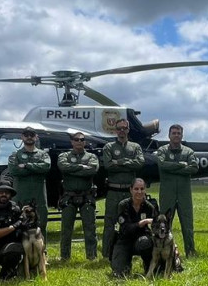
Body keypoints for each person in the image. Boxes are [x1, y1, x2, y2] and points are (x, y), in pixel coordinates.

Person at [101, 118, 144, 258]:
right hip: (113, 191)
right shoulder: (109, 147)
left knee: (132, 222)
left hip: (129, 192)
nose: (121, 131)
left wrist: (119, 162)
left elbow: (139, 163)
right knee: (109, 223)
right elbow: (108, 165)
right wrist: (128, 163)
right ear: (115, 130)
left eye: (124, 128)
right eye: (119, 128)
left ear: (128, 130)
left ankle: (133, 251)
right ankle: (106, 253)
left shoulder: (135, 147)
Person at [156, 124, 199, 257]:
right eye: (173, 133)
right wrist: (180, 165)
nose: (176, 135)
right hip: (167, 193)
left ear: (182, 135)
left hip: (184, 194)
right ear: (169, 135)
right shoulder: (162, 150)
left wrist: (172, 168)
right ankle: (163, 250)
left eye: (178, 133)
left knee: (187, 223)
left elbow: (194, 168)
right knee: (164, 223)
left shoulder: (188, 152)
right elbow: (162, 165)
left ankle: (190, 251)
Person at [57, 132, 100, 261]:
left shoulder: (91, 156)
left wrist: (73, 171)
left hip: (86, 196)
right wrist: (81, 167)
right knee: (66, 229)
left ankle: (91, 256)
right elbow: (63, 167)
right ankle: (65, 256)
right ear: (72, 141)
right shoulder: (64, 156)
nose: (79, 142)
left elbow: (93, 169)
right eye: (76, 139)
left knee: (90, 228)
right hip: (68, 197)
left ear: (85, 142)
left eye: (82, 139)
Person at [7, 127, 51, 241]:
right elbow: (13, 170)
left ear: (36, 137)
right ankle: (18, 254)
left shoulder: (43, 155)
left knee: (41, 226)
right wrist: (36, 168)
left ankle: (42, 254)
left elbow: (46, 167)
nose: (29, 137)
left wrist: (26, 166)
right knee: (18, 225)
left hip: (39, 197)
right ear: (22, 137)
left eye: (32, 135)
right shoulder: (15, 155)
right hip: (20, 197)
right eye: (26, 135)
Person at [110, 178, 158, 277]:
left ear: (145, 190)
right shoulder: (123, 205)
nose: (139, 192)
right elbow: (126, 228)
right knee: (119, 274)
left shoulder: (150, 207)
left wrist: (172, 245)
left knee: (145, 242)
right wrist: (142, 222)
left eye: (142, 189)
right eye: (136, 189)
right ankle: (125, 263)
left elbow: (160, 225)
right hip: (125, 240)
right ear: (131, 190)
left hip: (142, 240)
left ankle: (147, 264)